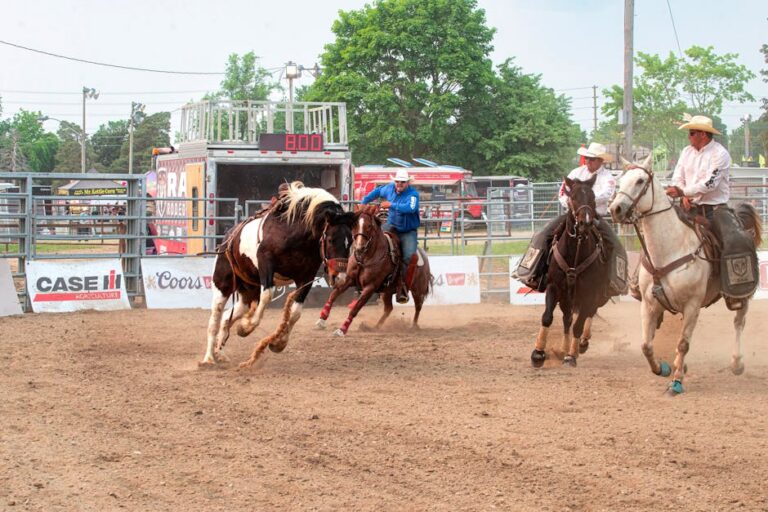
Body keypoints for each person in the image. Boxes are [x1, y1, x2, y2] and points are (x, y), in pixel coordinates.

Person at [664, 114, 757, 307]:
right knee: (660, 232)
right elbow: (677, 176)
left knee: (734, 241)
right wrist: (682, 195)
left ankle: (736, 290)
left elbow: (710, 184)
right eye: (689, 133)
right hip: (688, 207)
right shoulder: (686, 152)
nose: (689, 137)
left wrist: (684, 191)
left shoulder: (720, 154)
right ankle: (652, 282)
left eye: (692, 133)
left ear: (703, 135)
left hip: (715, 210)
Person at [514, 142, 627, 296]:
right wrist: (569, 202)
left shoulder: (607, 177)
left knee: (615, 243)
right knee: (542, 234)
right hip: (572, 214)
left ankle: (617, 281)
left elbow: (606, 194)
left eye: (592, 159)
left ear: (600, 161)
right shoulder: (576, 173)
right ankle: (531, 272)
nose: (588, 161)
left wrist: (585, 201)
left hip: (595, 216)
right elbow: (562, 192)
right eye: (587, 158)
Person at [361, 168, 420, 304]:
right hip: (392, 225)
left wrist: (391, 205)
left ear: (407, 183)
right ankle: (365, 277)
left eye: (402, 182)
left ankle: (402, 287)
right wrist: (364, 201)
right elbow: (376, 192)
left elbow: (410, 208)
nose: (399, 184)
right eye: (398, 181)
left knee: (409, 256)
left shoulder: (413, 195)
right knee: (371, 240)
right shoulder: (389, 188)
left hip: (407, 231)